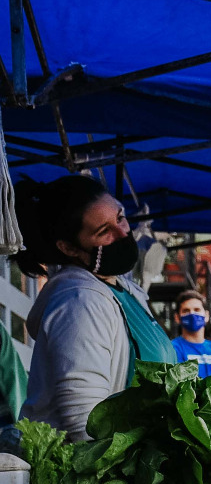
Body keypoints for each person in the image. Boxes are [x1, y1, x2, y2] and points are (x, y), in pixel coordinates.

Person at [15, 175, 176, 441]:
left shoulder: (123, 292)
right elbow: (85, 421)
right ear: (68, 247)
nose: (123, 233)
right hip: (105, 474)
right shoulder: (80, 302)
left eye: (120, 217)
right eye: (104, 232)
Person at [170, 289, 211, 377]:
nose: (192, 314)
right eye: (186, 310)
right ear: (177, 318)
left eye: (197, 309)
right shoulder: (171, 350)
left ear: (206, 316)